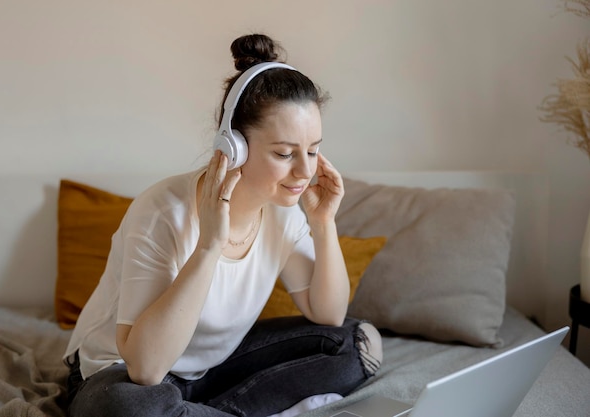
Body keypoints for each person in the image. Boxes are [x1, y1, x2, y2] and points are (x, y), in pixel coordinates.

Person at [63, 33, 383, 417]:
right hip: (120, 375)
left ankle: (204, 411)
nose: (304, 171)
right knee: (126, 408)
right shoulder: (162, 211)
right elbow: (145, 369)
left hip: (212, 371)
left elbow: (327, 315)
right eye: (284, 153)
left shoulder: (284, 209)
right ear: (234, 146)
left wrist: (323, 222)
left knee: (357, 343)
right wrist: (209, 246)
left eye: (313, 150)